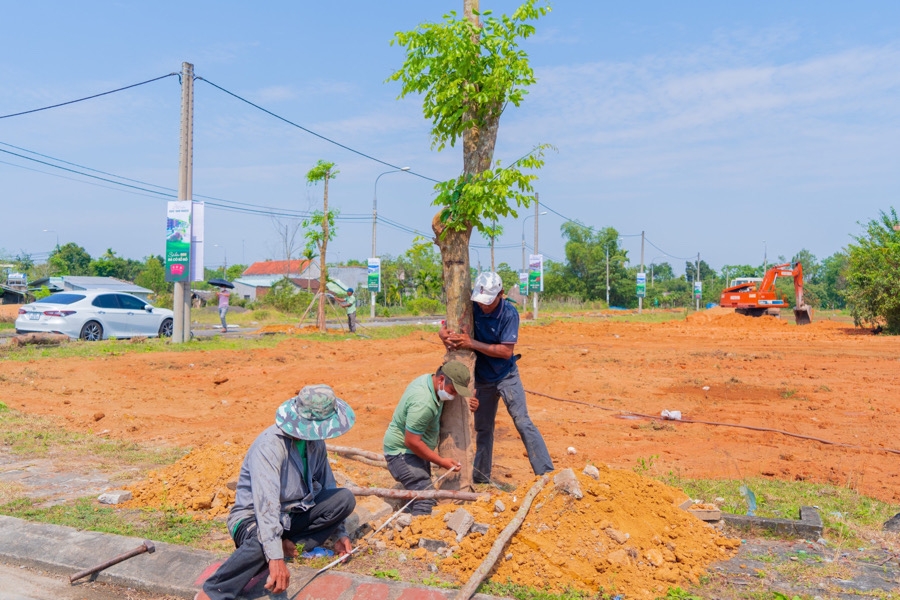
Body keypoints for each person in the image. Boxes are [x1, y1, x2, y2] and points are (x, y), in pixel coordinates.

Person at [196, 385, 357, 600]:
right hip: (254, 519)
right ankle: (214, 591)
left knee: (344, 499)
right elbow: (266, 506)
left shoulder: (315, 444)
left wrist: (340, 534)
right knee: (261, 543)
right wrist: (275, 559)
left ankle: (287, 546)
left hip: (291, 516)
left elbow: (328, 487)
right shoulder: (269, 446)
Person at [439, 272, 554, 484]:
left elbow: (506, 352)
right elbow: (447, 326)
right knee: (483, 429)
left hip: (506, 375)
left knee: (522, 421)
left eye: (489, 303)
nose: (484, 307)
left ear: (501, 294)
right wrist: (443, 334)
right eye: (481, 302)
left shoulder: (509, 314)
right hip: (482, 379)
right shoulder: (473, 307)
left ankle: (546, 473)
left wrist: (472, 343)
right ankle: (482, 478)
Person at [383, 361, 478, 515]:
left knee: (416, 496)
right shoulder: (423, 403)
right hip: (402, 453)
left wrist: (470, 403)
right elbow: (412, 441)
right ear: (441, 379)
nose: (453, 396)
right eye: (452, 391)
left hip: (414, 451)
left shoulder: (430, 381)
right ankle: (416, 536)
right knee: (425, 499)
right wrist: (441, 461)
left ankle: (405, 523)